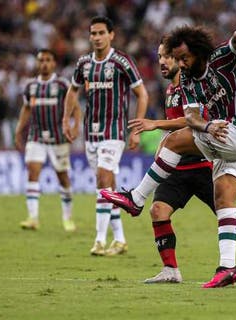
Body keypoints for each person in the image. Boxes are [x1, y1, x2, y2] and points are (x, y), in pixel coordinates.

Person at [101, 16, 236, 288]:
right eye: (176, 58)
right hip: (233, 143)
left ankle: (137, 197)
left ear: (197, 50)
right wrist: (208, 125)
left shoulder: (221, 58)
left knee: (173, 142)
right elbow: (192, 119)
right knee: (224, 199)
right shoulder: (188, 81)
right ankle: (228, 267)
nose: (181, 64)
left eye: (183, 57)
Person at [126, 39, 236, 284]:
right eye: (160, 57)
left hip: (204, 162)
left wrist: (158, 126)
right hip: (179, 166)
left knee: (227, 214)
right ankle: (170, 270)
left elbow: (194, 121)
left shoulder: (196, 84)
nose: (162, 61)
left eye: (167, 56)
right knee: (158, 210)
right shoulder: (171, 90)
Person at [63, 16, 149, 256]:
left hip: (115, 131)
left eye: (101, 33)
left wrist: (137, 129)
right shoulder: (83, 64)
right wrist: (66, 119)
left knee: (102, 180)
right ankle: (120, 239)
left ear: (111, 34)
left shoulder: (121, 61)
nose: (97, 37)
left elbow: (142, 94)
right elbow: (72, 90)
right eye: (93, 33)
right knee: (106, 187)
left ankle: (99, 240)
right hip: (91, 133)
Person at [15, 48, 78, 232]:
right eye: (41, 60)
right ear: (37, 63)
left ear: (53, 63)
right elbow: (26, 109)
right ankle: (32, 218)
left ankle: (68, 218)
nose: (44, 63)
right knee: (32, 173)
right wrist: (19, 130)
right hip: (36, 136)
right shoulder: (30, 86)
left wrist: (75, 126)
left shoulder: (62, 85)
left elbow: (75, 107)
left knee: (63, 178)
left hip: (58, 138)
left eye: (47, 60)